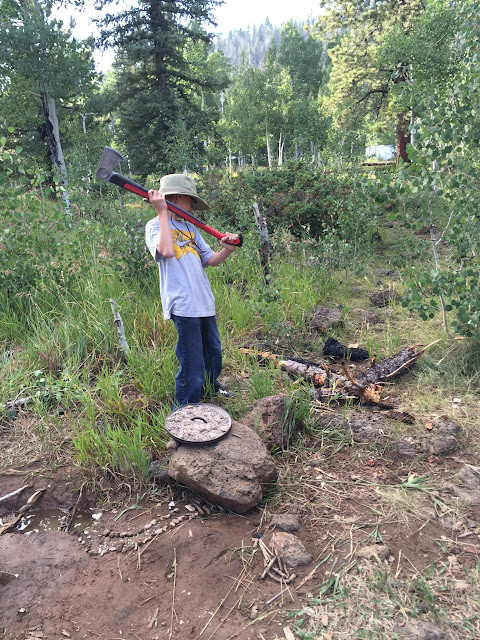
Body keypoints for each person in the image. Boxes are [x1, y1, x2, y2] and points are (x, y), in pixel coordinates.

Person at [145, 174, 239, 407]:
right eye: (191, 200)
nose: (193, 206)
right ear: (178, 197)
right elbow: (167, 251)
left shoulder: (190, 227)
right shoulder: (155, 225)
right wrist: (162, 212)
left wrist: (227, 249)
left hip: (203, 301)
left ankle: (210, 390)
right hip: (183, 304)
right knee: (192, 364)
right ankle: (185, 410)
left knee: (213, 354)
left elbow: (211, 259)